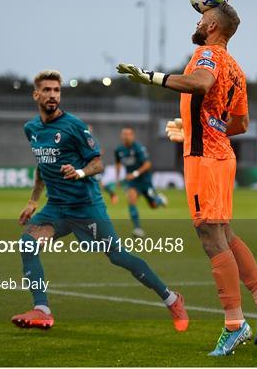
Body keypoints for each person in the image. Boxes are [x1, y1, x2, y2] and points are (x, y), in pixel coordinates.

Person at [116, 2, 257, 356]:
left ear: (212, 26)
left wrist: (151, 77)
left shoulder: (206, 55)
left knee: (210, 236)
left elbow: (199, 83)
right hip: (221, 154)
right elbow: (239, 123)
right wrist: (198, 126)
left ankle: (234, 324)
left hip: (204, 159)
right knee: (224, 232)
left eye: (202, 19)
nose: (197, 21)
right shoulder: (235, 67)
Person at [12, 70, 188, 332]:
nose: (52, 95)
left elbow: (97, 163)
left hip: (86, 207)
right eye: (47, 90)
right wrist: (32, 201)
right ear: (36, 94)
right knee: (28, 243)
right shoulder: (32, 129)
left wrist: (80, 172)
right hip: (56, 210)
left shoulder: (73, 126)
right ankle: (42, 310)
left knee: (118, 257)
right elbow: (42, 166)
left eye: (56, 90)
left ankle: (171, 298)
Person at [114, 127, 167, 238]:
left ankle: (159, 199)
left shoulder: (138, 148)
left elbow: (147, 164)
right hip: (133, 183)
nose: (126, 136)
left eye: (128, 134)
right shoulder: (119, 150)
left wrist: (135, 174)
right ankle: (137, 228)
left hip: (145, 181)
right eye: (124, 134)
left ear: (133, 136)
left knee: (153, 205)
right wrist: (118, 178)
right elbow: (118, 164)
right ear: (121, 136)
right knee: (131, 200)